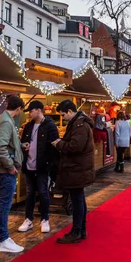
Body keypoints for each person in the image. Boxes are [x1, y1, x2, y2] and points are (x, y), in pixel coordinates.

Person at [52, 100, 95, 244]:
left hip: (77, 168)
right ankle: (81, 230)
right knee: (79, 199)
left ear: (70, 111)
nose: (63, 118)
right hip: (78, 168)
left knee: (77, 200)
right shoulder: (79, 123)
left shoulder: (79, 125)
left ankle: (77, 231)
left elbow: (75, 146)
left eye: (63, 115)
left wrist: (59, 144)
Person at [0, 95, 25, 253]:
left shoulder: (2, 119)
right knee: (4, 203)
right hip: (5, 169)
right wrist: (10, 166)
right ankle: (3, 238)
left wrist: (20, 146)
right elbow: (0, 147)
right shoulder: (6, 122)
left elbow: (4, 144)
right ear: (18, 109)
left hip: (2, 168)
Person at [18, 100, 59, 234]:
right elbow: (23, 141)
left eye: (31, 111)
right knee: (30, 193)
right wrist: (24, 146)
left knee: (43, 192)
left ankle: (44, 219)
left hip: (42, 166)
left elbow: (55, 146)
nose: (30, 113)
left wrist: (50, 164)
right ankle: (28, 219)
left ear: (39, 110)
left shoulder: (50, 126)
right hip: (29, 165)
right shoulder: (28, 126)